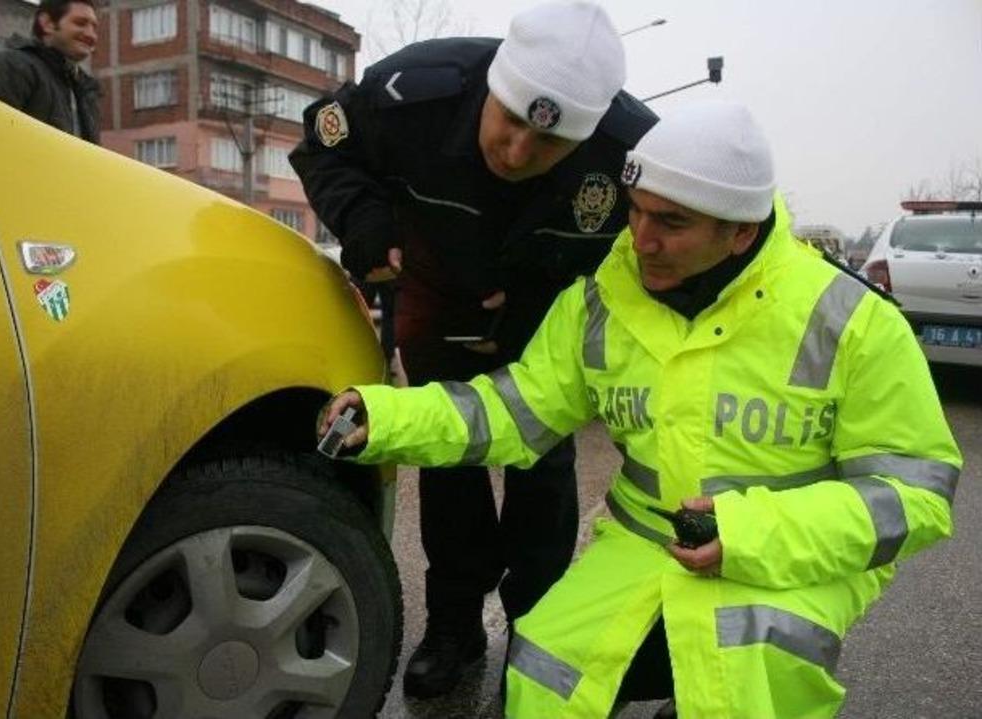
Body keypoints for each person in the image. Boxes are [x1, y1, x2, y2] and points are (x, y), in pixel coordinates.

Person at [317, 100, 962, 718]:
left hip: (791, 560)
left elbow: (915, 495)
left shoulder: (851, 322)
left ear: (740, 232)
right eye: (636, 211)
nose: (640, 241)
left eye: (672, 223)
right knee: (543, 663)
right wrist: (387, 418)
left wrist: (748, 534)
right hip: (644, 545)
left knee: (748, 672)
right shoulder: (603, 298)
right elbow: (513, 411)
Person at [291, 0, 656, 699]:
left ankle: (536, 628)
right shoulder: (413, 93)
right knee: (449, 465)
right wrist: (364, 222)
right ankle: (455, 626)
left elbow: (670, 246)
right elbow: (322, 148)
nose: (518, 153)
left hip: (546, 325)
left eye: (548, 146)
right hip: (437, 305)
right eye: (509, 121)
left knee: (543, 473)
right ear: (492, 84)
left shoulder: (636, 149)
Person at [0, 0, 100, 143]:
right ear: (48, 23)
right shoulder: (9, 67)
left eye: (94, 28)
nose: (91, 35)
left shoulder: (84, 89)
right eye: (80, 23)